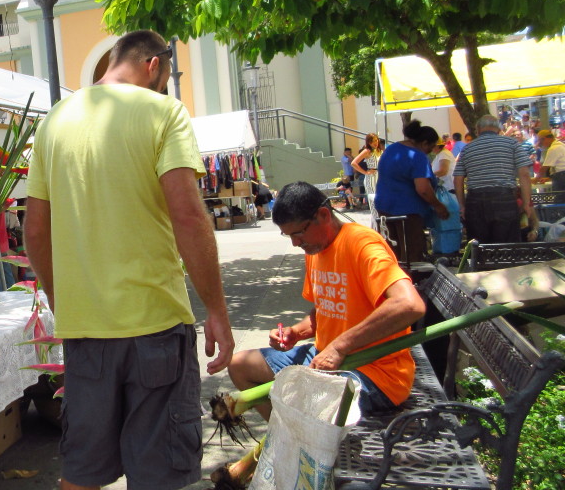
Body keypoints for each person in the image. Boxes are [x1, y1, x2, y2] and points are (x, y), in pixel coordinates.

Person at [25, 30, 235, 490]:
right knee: (159, 476)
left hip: (86, 332)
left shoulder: (54, 121)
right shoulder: (162, 111)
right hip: (154, 324)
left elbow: (34, 231)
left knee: (81, 473)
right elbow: (188, 217)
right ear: (154, 65)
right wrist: (216, 310)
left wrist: (63, 300)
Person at [227, 182, 426, 419]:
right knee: (240, 366)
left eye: (298, 233)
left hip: (375, 373)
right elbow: (328, 308)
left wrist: (339, 346)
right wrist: (296, 332)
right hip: (324, 359)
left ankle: (297, 445)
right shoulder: (316, 248)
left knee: (300, 398)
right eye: (288, 235)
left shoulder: (362, 244)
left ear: (323, 215)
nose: (295, 243)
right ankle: (286, 442)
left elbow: (409, 304)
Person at [374, 121, 450, 262]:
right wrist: (438, 205)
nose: (429, 152)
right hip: (407, 211)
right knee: (412, 255)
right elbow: (423, 189)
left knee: (393, 252)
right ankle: (413, 281)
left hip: (384, 207)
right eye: (430, 148)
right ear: (425, 143)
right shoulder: (417, 156)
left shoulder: (391, 149)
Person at [454, 115, 533, 243]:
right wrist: (526, 203)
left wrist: (462, 206)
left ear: (478, 130)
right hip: (504, 198)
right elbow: (524, 174)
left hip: (475, 201)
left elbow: (457, 179)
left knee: (480, 248)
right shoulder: (512, 144)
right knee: (506, 246)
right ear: (498, 129)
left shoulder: (467, 149)